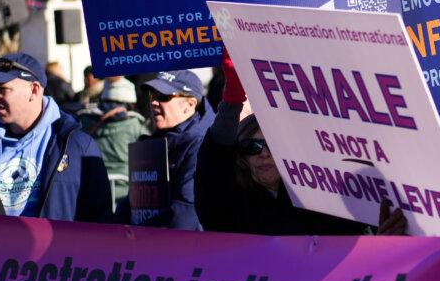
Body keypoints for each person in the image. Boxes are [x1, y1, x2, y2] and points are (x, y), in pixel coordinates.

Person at [195, 56, 374, 235]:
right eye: (251, 146)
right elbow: (214, 162)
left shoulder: (321, 202)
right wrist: (233, 98)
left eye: (274, 145)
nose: (264, 153)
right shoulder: (232, 204)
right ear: (241, 157)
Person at [0, 53, 111, 221]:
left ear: (34, 90)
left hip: (54, 247)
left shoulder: (76, 144)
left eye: (3, 89)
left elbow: (100, 220)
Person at [137, 70, 213, 230]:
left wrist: (139, 237)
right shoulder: (155, 141)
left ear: (189, 105)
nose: (154, 102)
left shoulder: (202, 144)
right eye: (152, 95)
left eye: (163, 96)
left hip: (187, 249)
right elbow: (135, 202)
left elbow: (185, 211)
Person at [78, 77, 147, 212]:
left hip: (93, 190)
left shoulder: (85, 121)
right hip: (127, 193)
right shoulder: (136, 125)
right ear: (131, 102)